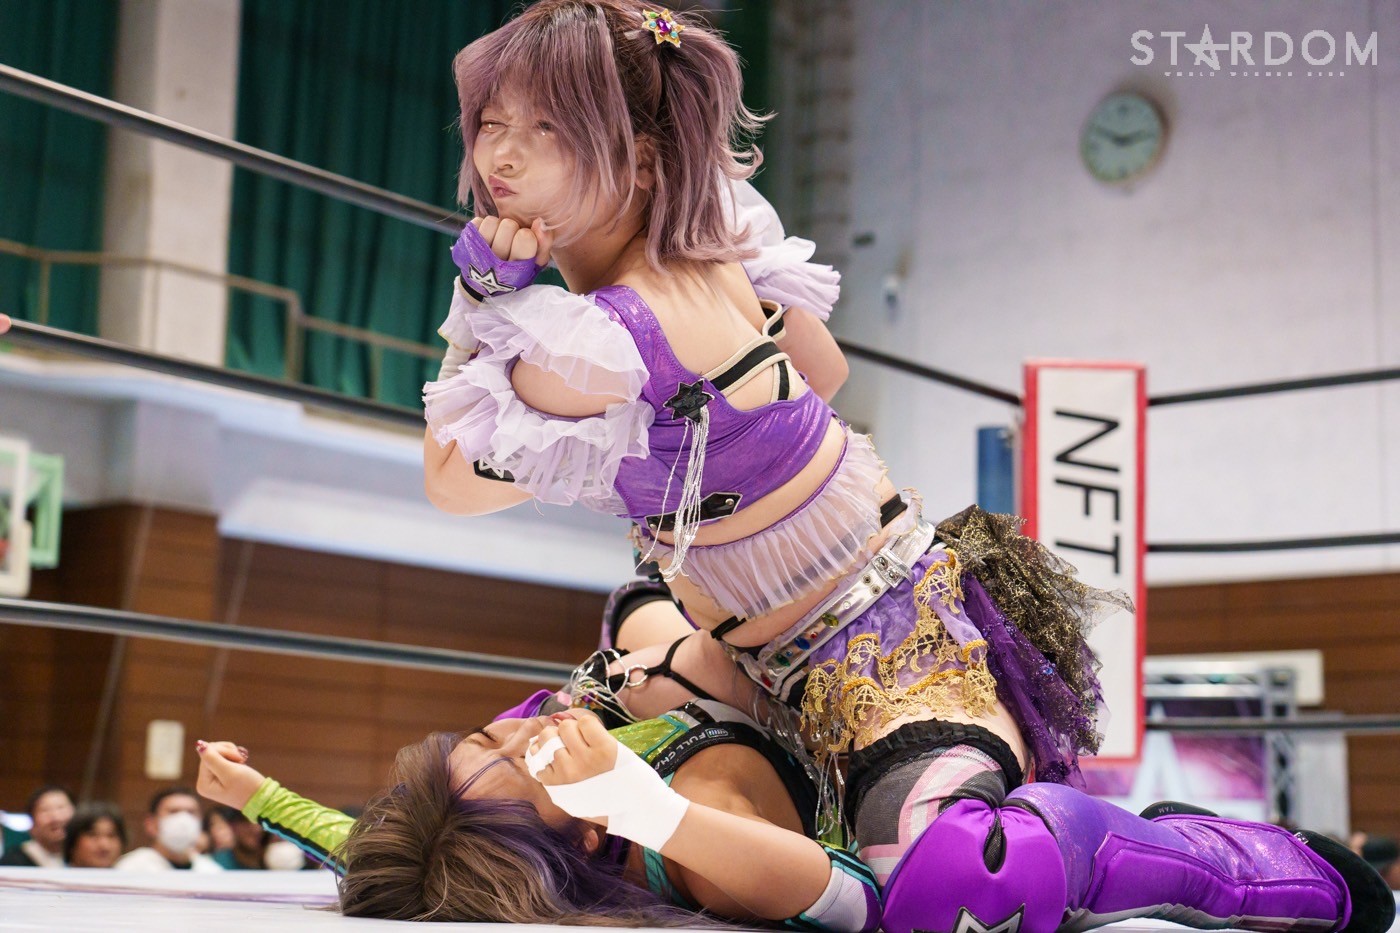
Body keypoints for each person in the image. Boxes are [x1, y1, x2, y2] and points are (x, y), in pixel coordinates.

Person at [418, 3, 1396, 931]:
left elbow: (450, 480)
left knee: (961, 881)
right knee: (503, 767)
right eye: (491, 123)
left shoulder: (602, 340)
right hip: (744, 656)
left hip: (895, 655)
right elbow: (823, 369)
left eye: (545, 128)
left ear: (636, 157)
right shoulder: (700, 241)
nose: (500, 157)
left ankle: (1233, 861)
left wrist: (481, 300)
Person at [113, 787, 222, 872]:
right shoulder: (130, 868)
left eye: (191, 812)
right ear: (151, 824)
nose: (183, 820)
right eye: (173, 811)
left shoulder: (211, 871)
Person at [0, 785, 73, 867]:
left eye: (61, 808)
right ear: (32, 822)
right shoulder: (13, 861)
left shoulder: (81, 859)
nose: (56, 818)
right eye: (45, 810)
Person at [62, 803, 126, 869]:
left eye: (111, 835)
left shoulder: (128, 874)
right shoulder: (57, 874)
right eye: (93, 835)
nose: (104, 845)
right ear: (72, 843)